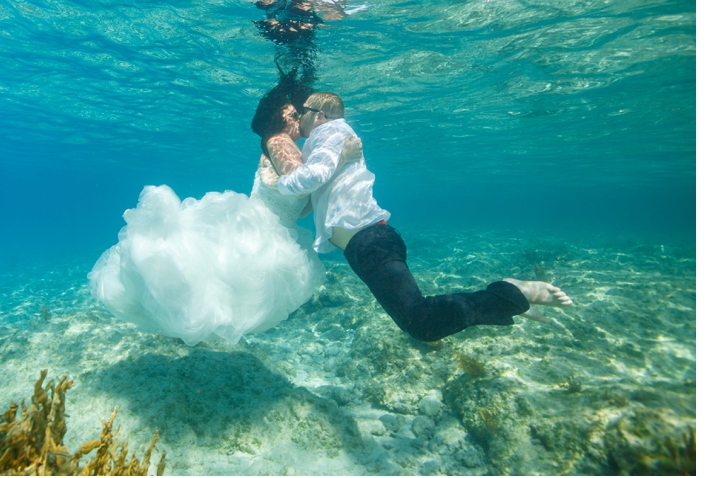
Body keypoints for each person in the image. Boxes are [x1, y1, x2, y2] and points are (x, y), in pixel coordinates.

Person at [278, 91, 573, 343]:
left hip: (370, 243)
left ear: (320, 115)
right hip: (368, 243)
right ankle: (510, 300)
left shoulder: (328, 131)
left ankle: (511, 293)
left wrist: (281, 181)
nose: (299, 119)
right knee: (419, 321)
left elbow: (312, 177)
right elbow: (317, 191)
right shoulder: (331, 137)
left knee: (422, 323)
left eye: (303, 113)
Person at [88, 89, 359, 346]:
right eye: (293, 114)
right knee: (217, 286)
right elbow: (301, 182)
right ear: (279, 119)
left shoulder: (289, 146)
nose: (298, 118)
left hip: (275, 229)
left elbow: (300, 202)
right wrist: (341, 159)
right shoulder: (279, 140)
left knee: (222, 291)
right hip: (259, 229)